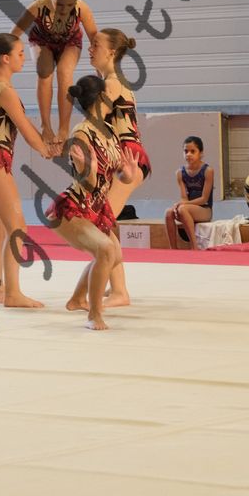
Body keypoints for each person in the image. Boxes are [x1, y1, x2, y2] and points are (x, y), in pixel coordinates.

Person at [0, 33, 57, 308]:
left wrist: (45, 143)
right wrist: (46, 150)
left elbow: (23, 125)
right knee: (17, 228)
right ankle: (13, 293)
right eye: (20, 54)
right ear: (5, 58)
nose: (23, 58)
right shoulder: (5, 90)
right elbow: (25, 129)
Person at [48, 75, 138, 330]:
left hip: (94, 209)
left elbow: (118, 172)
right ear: (101, 99)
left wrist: (128, 174)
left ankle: (77, 299)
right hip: (72, 209)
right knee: (106, 250)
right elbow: (87, 180)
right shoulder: (82, 132)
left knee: (114, 255)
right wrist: (89, 168)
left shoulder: (109, 131)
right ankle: (94, 315)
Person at [73, 28, 151, 308]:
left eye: (96, 45)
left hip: (127, 158)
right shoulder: (112, 81)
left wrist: (67, 137)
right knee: (103, 222)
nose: (90, 49)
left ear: (112, 52)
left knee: (100, 223)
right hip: (123, 157)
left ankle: (117, 291)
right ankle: (116, 287)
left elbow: (94, 119)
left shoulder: (113, 84)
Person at [13, 0, 98, 147]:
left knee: (65, 72)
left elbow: (95, 40)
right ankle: (45, 125)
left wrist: (103, 73)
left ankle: (63, 128)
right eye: (59, 4)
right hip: (42, 41)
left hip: (70, 42)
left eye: (69, 5)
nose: (64, 9)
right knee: (45, 72)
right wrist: (6, 59)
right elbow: (14, 34)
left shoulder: (82, 8)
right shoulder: (38, 6)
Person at [164, 136, 214, 250]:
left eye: (192, 151)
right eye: (186, 151)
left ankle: (194, 246)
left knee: (182, 209)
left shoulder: (208, 171)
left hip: (205, 210)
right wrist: (179, 204)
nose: (188, 154)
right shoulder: (180, 173)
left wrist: (183, 204)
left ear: (201, 153)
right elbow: (184, 198)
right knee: (168, 212)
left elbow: (204, 199)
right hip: (188, 208)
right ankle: (173, 249)